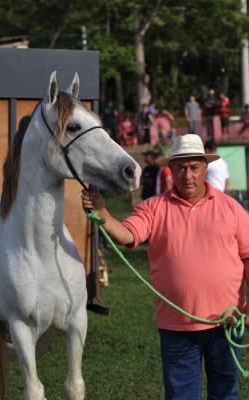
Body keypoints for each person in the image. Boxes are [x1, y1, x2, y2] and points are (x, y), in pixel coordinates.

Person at [81, 134, 249, 400]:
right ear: (171, 170)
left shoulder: (232, 208)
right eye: (181, 167)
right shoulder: (153, 208)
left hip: (226, 323)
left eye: (194, 167)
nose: (188, 175)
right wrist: (103, 213)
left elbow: (248, 256)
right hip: (177, 327)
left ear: (205, 168)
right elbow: (127, 235)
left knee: (226, 393)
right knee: (181, 396)